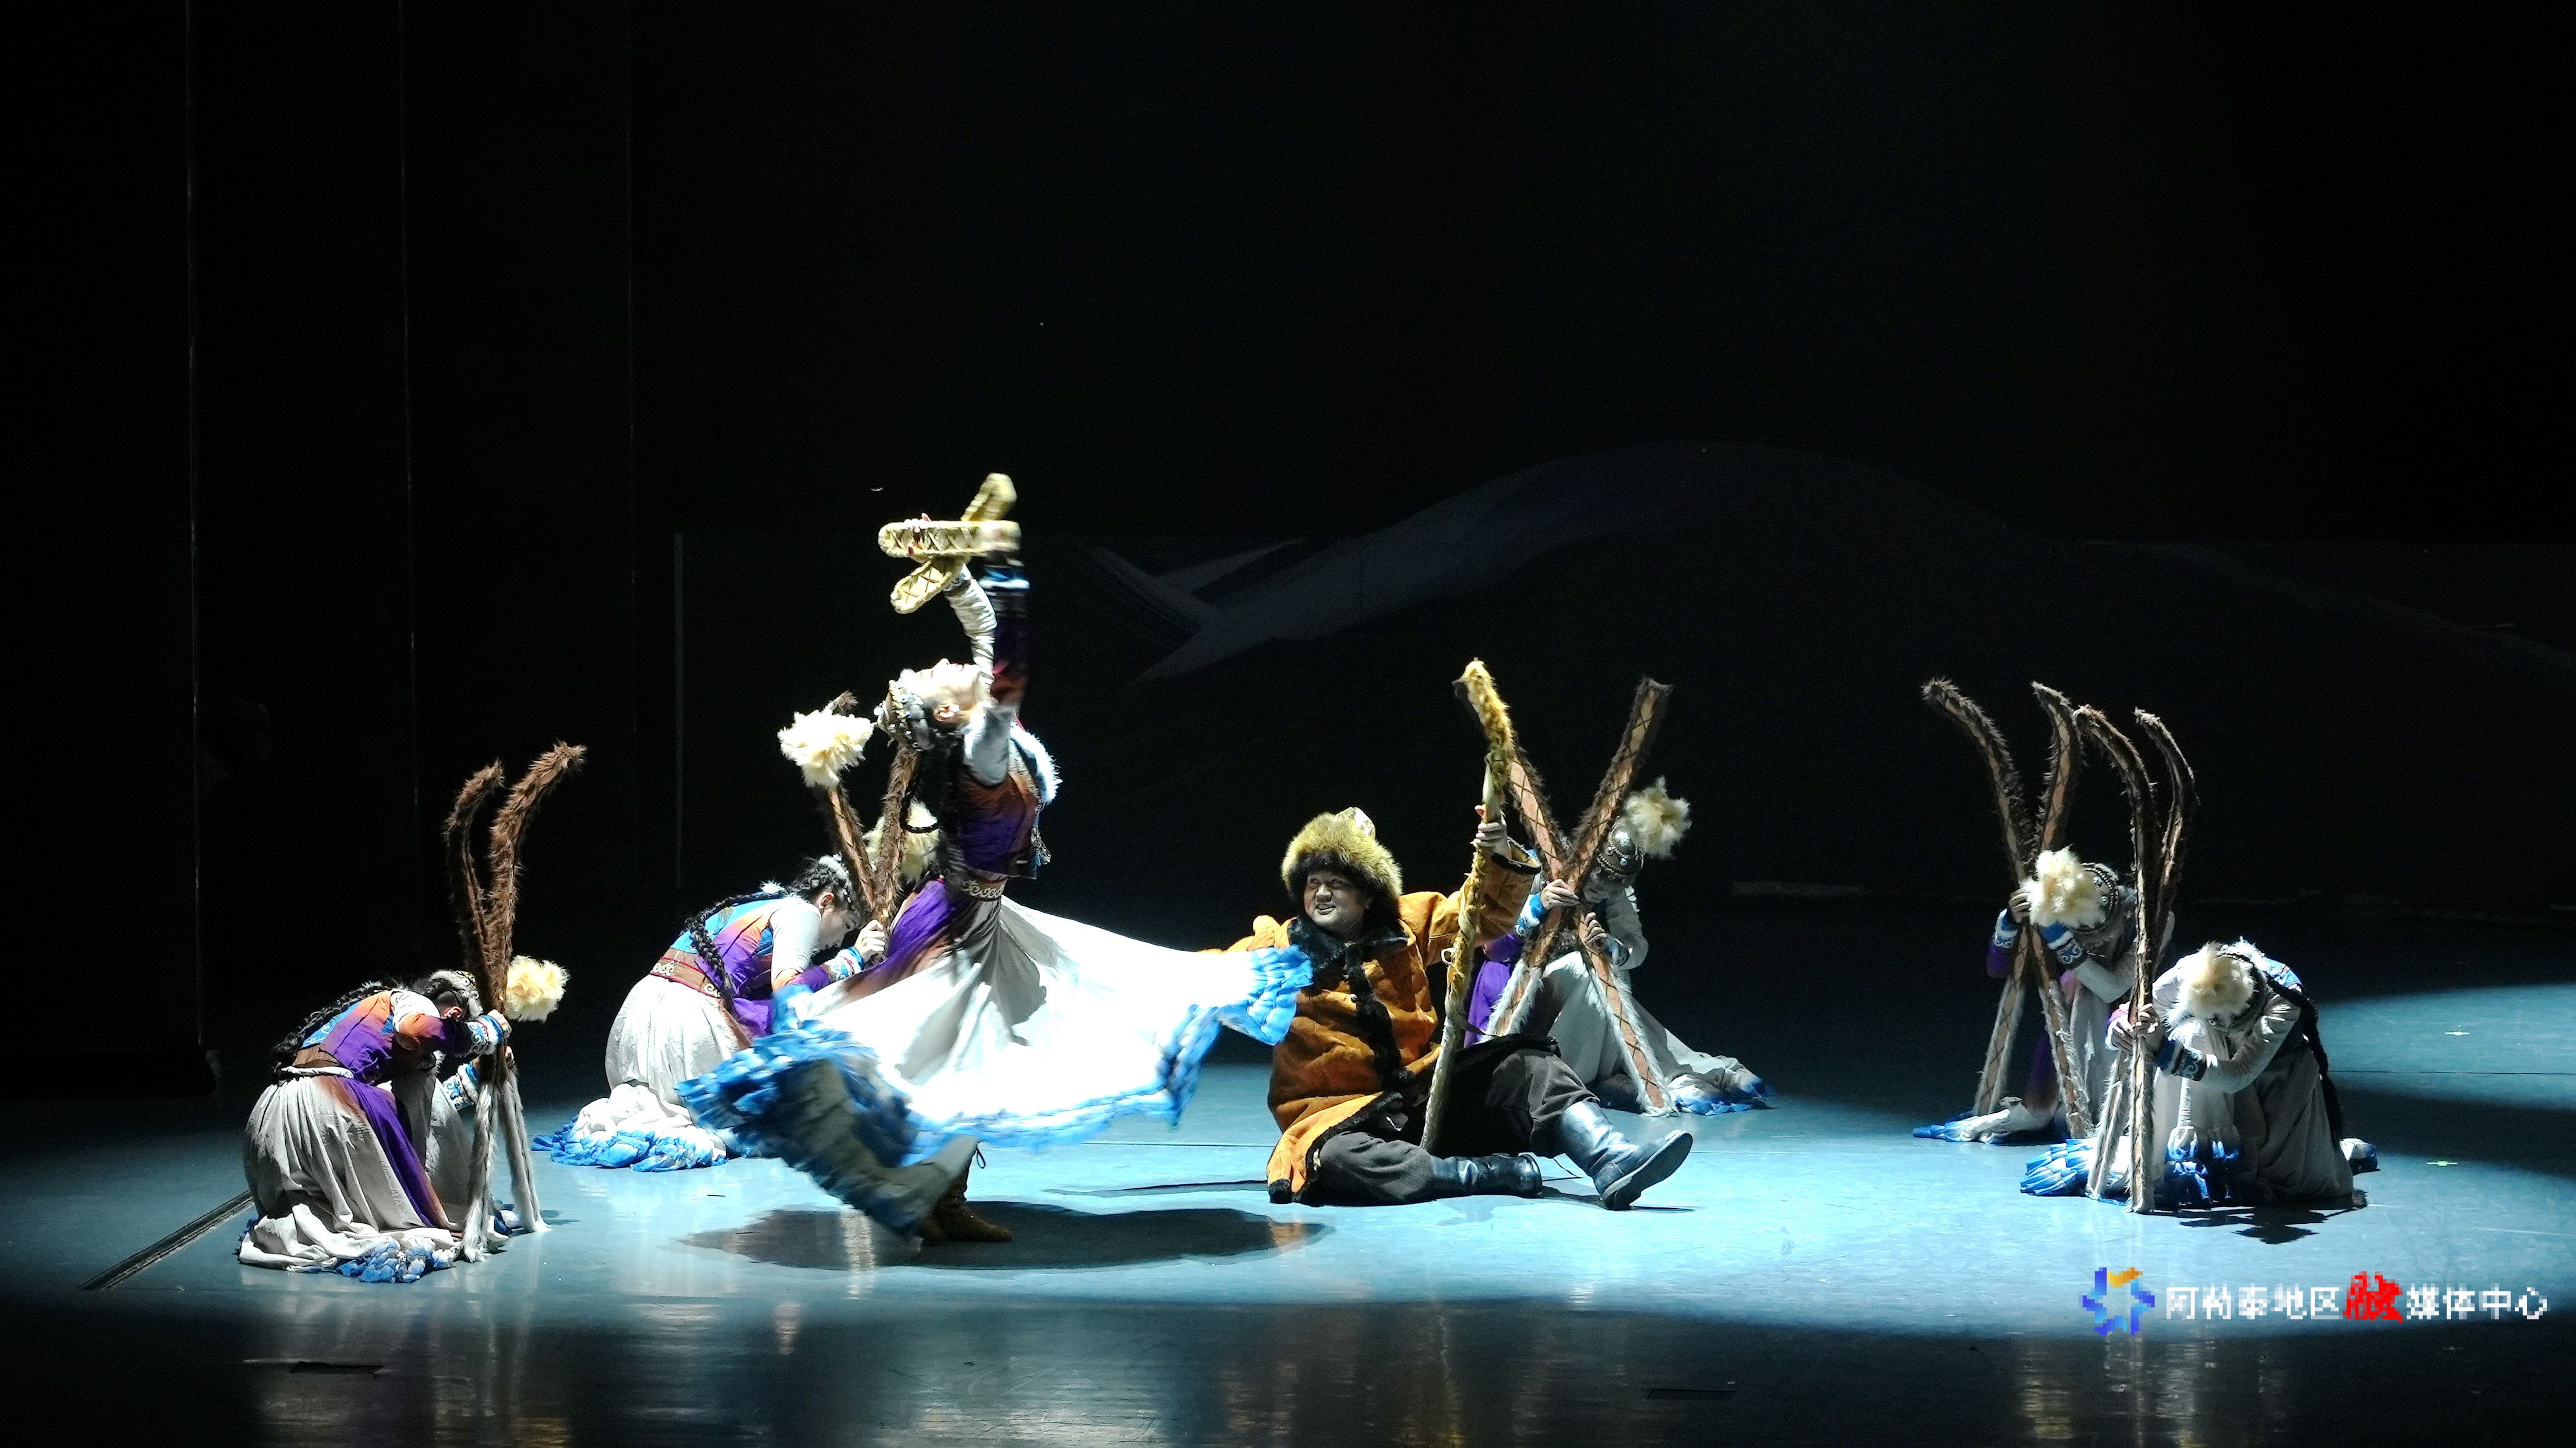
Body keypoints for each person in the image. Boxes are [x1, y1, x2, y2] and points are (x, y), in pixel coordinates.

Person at [686, 555, 1312, 1241]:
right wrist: (1009, 574)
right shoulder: (983, 750)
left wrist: (958, 580)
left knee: (971, 1053)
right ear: (949, 712)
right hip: (956, 925)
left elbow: (987, 646)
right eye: (937, 675)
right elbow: (1005, 668)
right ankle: (934, 1198)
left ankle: (939, 1199)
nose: (946, 665)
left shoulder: (987, 738)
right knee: (955, 1055)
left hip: (978, 913)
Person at [1232, 805, 1696, 1209]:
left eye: (1337, 883)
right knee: (1334, 1159)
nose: (1322, 894)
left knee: (1529, 1065)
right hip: (1340, 1116)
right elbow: (1213, 975)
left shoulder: (1408, 922)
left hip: (1422, 1096)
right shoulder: (1278, 947)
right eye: (1313, 883)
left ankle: (1609, 1156)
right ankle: (1481, 1174)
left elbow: (1482, 915)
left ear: (1367, 893)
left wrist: (1498, 852)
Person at [540, 856, 877, 1170]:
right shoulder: (804, 912)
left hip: (641, 1013)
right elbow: (787, 987)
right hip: (687, 1022)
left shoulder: (760, 903)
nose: (839, 941)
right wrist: (851, 960)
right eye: (846, 925)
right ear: (826, 901)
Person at [1465, 780, 1770, 1115]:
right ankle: (1575, 1078)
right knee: (1583, 970)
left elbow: (1636, 947)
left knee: (1609, 974)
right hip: (1526, 1000)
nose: (1600, 891)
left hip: (1583, 1002)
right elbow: (1492, 948)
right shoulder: (1539, 870)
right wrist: (1538, 906)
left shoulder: (1613, 892)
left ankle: (1673, 1074)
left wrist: (1613, 948)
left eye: (1612, 885)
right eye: (1598, 878)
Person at [2023, 939, 2377, 1204]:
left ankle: (2332, 1149)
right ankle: (2191, 1153)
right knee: (2191, 1031)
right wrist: (2122, 1029)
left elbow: (2240, 1073)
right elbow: (2134, 1009)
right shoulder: (2190, 972)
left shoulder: (2283, 998)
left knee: (2289, 1180)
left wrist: (2165, 1050)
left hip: (2275, 1085)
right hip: (2204, 1077)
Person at [239, 971, 510, 1281]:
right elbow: (416, 1030)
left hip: (272, 1117)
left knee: (314, 1211)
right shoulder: (414, 1003)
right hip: (328, 1108)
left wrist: (473, 1076)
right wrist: (484, 1031)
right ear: (454, 1014)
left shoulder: (365, 1012)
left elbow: (416, 1110)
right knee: (427, 1217)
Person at [1916, 847, 2135, 1142]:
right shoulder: (2059, 913)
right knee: (2076, 987)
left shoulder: (2148, 923)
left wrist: (2061, 942)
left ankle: (2100, 1108)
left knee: (2087, 990)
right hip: (2070, 1012)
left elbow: (2112, 987)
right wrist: (2010, 921)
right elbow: (1997, 968)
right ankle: (2059, 1103)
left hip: (2127, 1022)